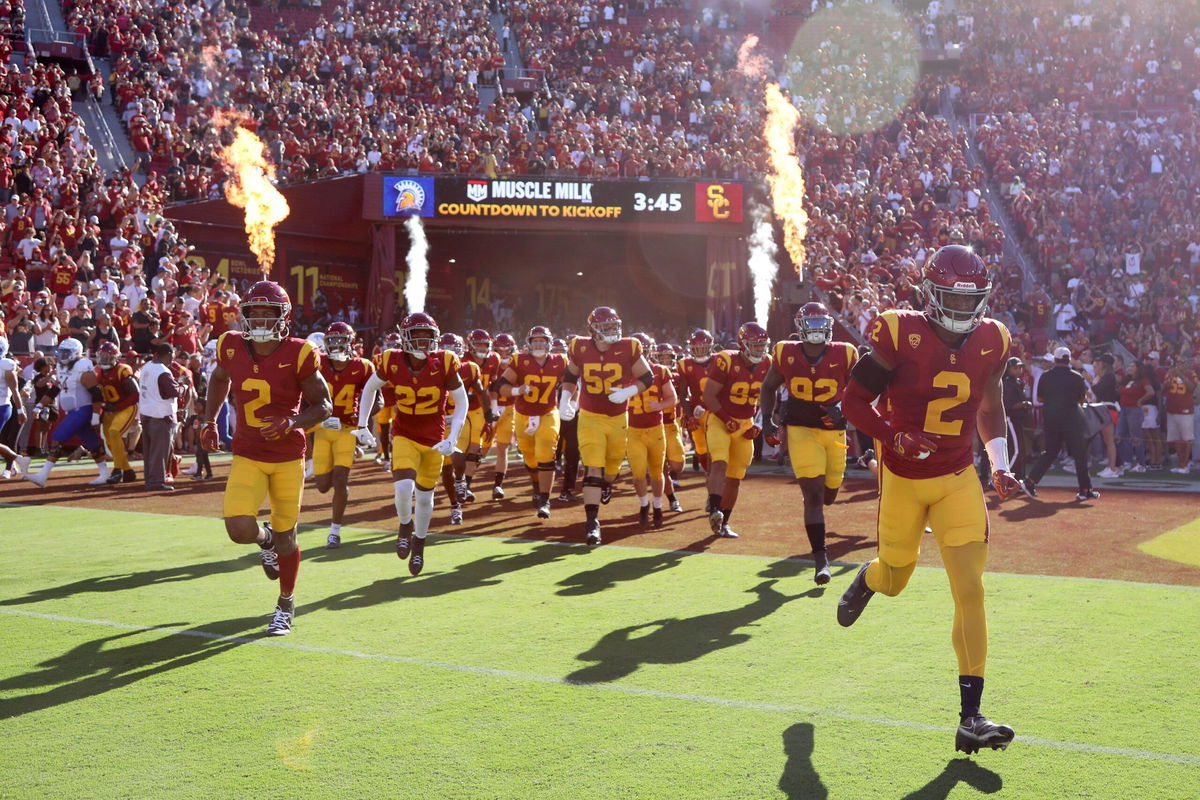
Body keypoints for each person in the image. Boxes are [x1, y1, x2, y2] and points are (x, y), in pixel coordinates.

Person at [838, 245, 1022, 755]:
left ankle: (971, 717)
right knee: (896, 576)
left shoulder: (994, 338)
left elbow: (990, 404)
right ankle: (870, 576)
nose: (963, 313)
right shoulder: (898, 331)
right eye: (952, 301)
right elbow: (853, 401)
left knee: (971, 590)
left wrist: (1001, 463)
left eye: (971, 303)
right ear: (929, 294)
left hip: (958, 474)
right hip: (903, 475)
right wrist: (892, 436)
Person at [200, 280, 331, 637]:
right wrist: (209, 419)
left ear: (283, 316)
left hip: (288, 456)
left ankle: (286, 603)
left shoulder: (301, 352)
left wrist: (292, 422)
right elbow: (219, 379)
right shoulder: (230, 346)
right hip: (248, 452)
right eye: (253, 313)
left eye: (267, 313)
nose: (259, 320)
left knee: (289, 537)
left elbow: (323, 406)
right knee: (239, 529)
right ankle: (264, 540)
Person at [357, 312, 467, 576]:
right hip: (404, 433)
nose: (422, 343)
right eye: (416, 337)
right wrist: (361, 425)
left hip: (434, 439)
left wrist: (452, 437)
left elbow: (462, 401)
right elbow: (369, 388)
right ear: (405, 338)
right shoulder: (391, 360)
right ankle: (405, 525)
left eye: (427, 337)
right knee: (404, 489)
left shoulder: (445, 361)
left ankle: (419, 543)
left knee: (426, 499)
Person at [760, 302, 858, 583]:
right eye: (810, 323)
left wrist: (844, 407)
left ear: (828, 325)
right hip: (801, 429)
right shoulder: (785, 351)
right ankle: (821, 559)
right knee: (813, 496)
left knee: (829, 493)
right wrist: (767, 420)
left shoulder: (845, 352)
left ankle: (820, 532)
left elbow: (861, 389)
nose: (816, 330)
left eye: (820, 323)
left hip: (834, 432)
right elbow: (768, 386)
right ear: (800, 327)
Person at [558, 306, 654, 545]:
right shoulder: (579, 347)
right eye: (606, 327)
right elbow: (570, 376)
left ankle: (607, 484)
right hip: (590, 416)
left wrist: (629, 391)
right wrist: (564, 399)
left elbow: (647, 377)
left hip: (619, 416)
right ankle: (592, 524)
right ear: (593, 330)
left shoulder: (629, 346)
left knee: (612, 467)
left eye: (614, 326)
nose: (612, 331)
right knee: (593, 467)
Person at [701, 322, 772, 539]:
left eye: (762, 345)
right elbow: (709, 395)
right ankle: (714, 508)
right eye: (755, 345)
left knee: (735, 477)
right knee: (719, 462)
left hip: (745, 422)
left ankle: (724, 521)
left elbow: (769, 397)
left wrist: (758, 423)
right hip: (720, 419)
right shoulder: (726, 359)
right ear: (743, 344)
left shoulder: (767, 363)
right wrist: (725, 418)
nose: (760, 349)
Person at [494, 325, 568, 520]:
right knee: (529, 456)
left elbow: (571, 380)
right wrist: (518, 391)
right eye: (535, 341)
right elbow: (501, 385)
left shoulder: (560, 361)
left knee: (546, 451)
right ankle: (536, 486)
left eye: (542, 341)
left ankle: (545, 500)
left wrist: (572, 401)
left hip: (547, 412)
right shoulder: (520, 360)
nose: (538, 344)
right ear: (528, 343)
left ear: (549, 343)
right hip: (523, 415)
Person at [315, 321, 375, 548]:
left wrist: (362, 424)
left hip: (347, 429)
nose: (337, 345)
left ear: (351, 343)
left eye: (341, 340)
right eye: (332, 340)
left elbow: (376, 399)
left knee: (341, 479)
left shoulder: (363, 367)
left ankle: (334, 531)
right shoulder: (318, 363)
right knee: (322, 485)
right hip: (322, 429)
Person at [22, 337, 113, 486]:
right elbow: (55, 389)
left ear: (75, 353)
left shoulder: (83, 368)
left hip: (83, 410)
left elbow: (96, 394)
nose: (63, 356)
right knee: (92, 443)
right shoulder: (62, 368)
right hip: (73, 411)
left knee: (58, 437)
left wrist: (96, 416)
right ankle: (105, 473)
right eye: (62, 353)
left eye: (66, 353)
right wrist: (39, 406)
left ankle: (42, 475)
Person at [1025, 347, 1098, 501]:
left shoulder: (1045, 376)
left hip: (1051, 418)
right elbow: (1082, 399)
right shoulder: (1076, 377)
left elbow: (1040, 398)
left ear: (1056, 359)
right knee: (1079, 454)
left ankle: (1030, 481)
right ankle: (1085, 490)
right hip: (1071, 418)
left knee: (1051, 452)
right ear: (1068, 359)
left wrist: (1054, 402)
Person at [623, 332, 678, 528]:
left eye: (645, 351)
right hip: (634, 430)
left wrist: (660, 406)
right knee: (638, 473)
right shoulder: (623, 372)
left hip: (655, 429)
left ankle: (657, 505)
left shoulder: (660, 371)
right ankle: (644, 504)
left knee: (656, 472)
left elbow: (673, 398)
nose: (643, 355)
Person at [437, 332, 491, 525]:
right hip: (437, 421)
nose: (450, 354)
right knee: (444, 469)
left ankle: (461, 480)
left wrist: (489, 416)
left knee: (457, 456)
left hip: (459, 420)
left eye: (454, 350)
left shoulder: (469, 368)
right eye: (446, 350)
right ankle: (454, 506)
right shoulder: (432, 368)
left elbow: (482, 393)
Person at [94, 340, 140, 484]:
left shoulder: (122, 370)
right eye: (102, 357)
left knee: (114, 432)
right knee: (110, 441)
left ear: (115, 357)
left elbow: (135, 395)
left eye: (107, 357)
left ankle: (117, 470)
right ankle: (127, 471)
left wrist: (118, 407)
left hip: (126, 407)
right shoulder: (99, 373)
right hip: (110, 409)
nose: (104, 360)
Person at [139, 343, 184, 491]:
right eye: (172, 355)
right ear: (168, 354)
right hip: (160, 415)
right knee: (159, 451)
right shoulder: (162, 371)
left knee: (150, 450)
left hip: (146, 412)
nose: (173, 359)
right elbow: (173, 391)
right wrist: (183, 386)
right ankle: (156, 481)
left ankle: (150, 479)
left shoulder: (146, 367)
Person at [678, 328, 715, 475]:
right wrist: (689, 415)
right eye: (696, 349)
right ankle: (709, 473)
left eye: (703, 348)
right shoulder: (685, 364)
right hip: (696, 410)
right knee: (700, 446)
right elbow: (683, 395)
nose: (699, 352)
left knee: (718, 444)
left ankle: (719, 473)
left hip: (716, 410)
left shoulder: (720, 360)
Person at [1000, 357, 1033, 484]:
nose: (1018, 370)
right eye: (1015, 368)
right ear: (1008, 369)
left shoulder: (1017, 381)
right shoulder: (1007, 382)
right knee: (1015, 451)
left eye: (1020, 367)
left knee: (1020, 450)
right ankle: (1008, 478)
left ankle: (1018, 477)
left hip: (1018, 420)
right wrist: (1024, 404)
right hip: (1010, 419)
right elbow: (1008, 405)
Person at [1163, 359, 1197, 473]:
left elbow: (1192, 387)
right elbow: (1163, 387)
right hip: (1172, 409)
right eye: (1177, 362)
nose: (1179, 364)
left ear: (1187, 363)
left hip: (1185, 410)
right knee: (1176, 438)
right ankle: (1180, 463)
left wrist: (1181, 375)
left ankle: (1185, 464)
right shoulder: (1171, 373)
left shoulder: (1191, 374)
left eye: (1181, 362)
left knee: (1186, 438)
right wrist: (1166, 383)